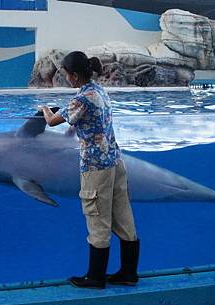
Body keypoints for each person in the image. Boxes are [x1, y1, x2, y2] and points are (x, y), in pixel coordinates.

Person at [39, 51, 139, 289]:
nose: (65, 78)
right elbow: (83, 122)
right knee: (123, 215)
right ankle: (128, 272)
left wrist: (43, 108)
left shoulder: (81, 99)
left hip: (95, 167)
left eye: (65, 75)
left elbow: (52, 121)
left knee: (97, 218)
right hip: (115, 161)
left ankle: (95, 277)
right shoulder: (100, 90)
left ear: (74, 76)